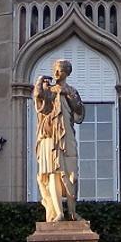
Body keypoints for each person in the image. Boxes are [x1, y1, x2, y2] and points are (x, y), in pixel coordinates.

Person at [34, 59, 86, 222]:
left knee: (72, 176)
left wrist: (66, 94)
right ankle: (59, 213)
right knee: (52, 175)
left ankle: (72, 211)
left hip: (67, 134)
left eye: (60, 70)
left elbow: (79, 113)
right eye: (55, 70)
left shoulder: (71, 91)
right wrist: (39, 84)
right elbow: (41, 103)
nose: (56, 73)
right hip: (50, 137)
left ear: (67, 72)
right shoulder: (48, 90)